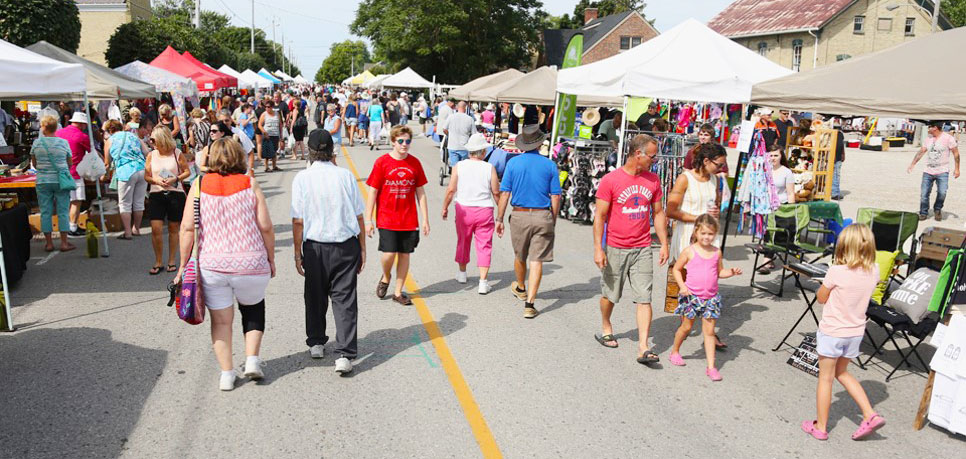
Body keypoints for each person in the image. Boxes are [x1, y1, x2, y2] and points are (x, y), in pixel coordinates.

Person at [176, 137, 275, 391]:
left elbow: (187, 228)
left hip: (213, 264)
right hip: (251, 262)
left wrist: (182, 266)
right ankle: (252, 360)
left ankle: (227, 374)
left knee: (221, 321)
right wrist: (271, 258)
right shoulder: (249, 183)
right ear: (238, 156)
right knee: (253, 310)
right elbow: (265, 226)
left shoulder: (198, 185)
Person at [801, 224, 885, 441]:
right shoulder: (874, 270)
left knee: (826, 379)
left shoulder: (836, 271)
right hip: (855, 332)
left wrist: (824, 284)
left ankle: (820, 426)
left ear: (844, 246)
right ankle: (869, 413)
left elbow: (821, 297)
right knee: (843, 373)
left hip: (833, 331)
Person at [292, 129, 365, 374]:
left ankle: (315, 341)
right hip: (345, 244)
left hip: (314, 246)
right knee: (344, 299)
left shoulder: (302, 178)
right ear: (332, 150)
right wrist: (363, 248)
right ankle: (344, 353)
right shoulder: (346, 176)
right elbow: (358, 215)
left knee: (314, 295)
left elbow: (298, 220)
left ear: (310, 152)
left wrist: (296, 252)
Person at [592, 133, 669, 363]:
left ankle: (644, 347)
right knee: (610, 295)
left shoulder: (653, 180)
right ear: (638, 154)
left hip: (643, 247)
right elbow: (600, 217)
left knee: (644, 297)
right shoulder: (611, 180)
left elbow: (657, 213)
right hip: (616, 246)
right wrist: (599, 248)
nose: (655, 161)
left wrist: (664, 243)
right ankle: (606, 325)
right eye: (652, 157)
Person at [495, 124, 561, 319]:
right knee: (537, 260)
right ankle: (530, 304)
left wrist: (499, 218)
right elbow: (555, 196)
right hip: (543, 215)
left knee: (520, 255)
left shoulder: (513, 164)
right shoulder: (549, 165)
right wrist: (552, 219)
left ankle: (521, 286)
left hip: (519, 215)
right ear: (540, 145)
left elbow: (504, 193)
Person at [667, 142, 728, 348]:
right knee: (687, 285)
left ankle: (709, 332)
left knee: (709, 283)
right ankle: (684, 327)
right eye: (718, 164)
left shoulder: (715, 180)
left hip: (709, 238)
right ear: (705, 161)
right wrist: (699, 219)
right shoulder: (685, 179)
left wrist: (715, 214)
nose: (721, 169)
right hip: (688, 236)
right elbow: (671, 210)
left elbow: (715, 204)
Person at [669, 214, 742, 380]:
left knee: (709, 332)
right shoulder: (689, 251)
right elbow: (676, 269)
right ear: (696, 232)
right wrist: (682, 286)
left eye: (710, 234)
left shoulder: (717, 252)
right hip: (691, 297)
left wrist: (731, 272)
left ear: (715, 234)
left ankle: (711, 367)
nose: (707, 237)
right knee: (686, 328)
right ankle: (675, 352)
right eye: (703, 233)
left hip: (711, 299)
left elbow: (719, 272)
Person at [365, 125, 430, 306]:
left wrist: (425, 219)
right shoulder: (382, 162)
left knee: (405, 254)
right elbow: (373, 192)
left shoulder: (415, 163)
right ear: (393, 141)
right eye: (400, 141)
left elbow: (420, 193)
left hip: (409, 219)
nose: (404, 144)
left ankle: (398, 292)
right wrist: (368, 219)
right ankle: (386, 277)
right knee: (388, 254)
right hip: (387, 217)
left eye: (407, 141)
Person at [441, 133, 500, 294]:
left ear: (469, 151)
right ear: (483, 152)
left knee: (463, 240)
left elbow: (451, 189)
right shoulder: (489, 168)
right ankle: (483, 282)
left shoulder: (459, 166)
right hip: (484, 210)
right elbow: (496, 192)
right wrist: (500, 213)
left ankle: (462, 273)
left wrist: (445, 207)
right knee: (484, 245)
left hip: (464, 209)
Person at [144, 126, 189, 275]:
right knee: (156, 228)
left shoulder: (177, 153)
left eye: (154, 140)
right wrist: (155, 180)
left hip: (175, 193)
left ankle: (171, 260)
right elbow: (147, 176)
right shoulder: (151, 155)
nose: (151, 142)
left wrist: (175, 178)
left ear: (162, 139)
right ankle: (158, 261)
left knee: (173, 227)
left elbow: (187, 171)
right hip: (157, 193)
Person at [31, 115, 77, 253]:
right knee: (63, 211)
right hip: (60, 181)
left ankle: (49, 243)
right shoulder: (63, 143)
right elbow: (70, 162)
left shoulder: (36, 143)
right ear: (56, 127)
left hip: (43, 181)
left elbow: (34, 164)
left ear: (44, 127)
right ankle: (64, 243)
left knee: (45, 212)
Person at [102, 120, 148, 239]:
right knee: (139, 202)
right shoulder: (134, 136)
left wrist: (104, 175)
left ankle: (127, 232)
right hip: (141, 169)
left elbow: (107, 162)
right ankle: (136, 229)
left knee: (125, 204)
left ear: (110, 130)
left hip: (125, 171)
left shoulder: (110, 140)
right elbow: (146, 152)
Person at [908, 122, 960, 221]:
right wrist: (913, 164)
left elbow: (956, 153)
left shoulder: (948, 138)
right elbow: (921, 151)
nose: (928, 129)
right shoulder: (928, 139)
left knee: (942, 192)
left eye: (930, 127)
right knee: (924, 194)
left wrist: (957, 169)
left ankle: (937, 209)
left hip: (942, 171)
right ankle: (923, 213)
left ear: (935, 128)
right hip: (928, 171)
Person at [55, 111, 92, 237]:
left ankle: (65, 227)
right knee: (76, 201)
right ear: (81, 124)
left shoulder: (58, 133)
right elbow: (92, 153)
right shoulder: (82, 136)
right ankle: (72, 227)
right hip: (74, 173)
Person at [444, 101, 476, 167]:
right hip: (464, 146)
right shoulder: (470, 119)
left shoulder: (451, 117)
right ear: (465, 108)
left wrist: (449, 135)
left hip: (453, 145)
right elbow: (474, 134)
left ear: (457, 107)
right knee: (464, 167)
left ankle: (454, 176)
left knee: (455, 167)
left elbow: (444, 129)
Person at [258, 100, 282, 173]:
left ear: (272, 107)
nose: (267, 108)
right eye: (266, 107)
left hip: (275, 134)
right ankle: (266, 167)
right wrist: (264, 132)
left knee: (274, 150)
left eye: (268, 107)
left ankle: (274, 166)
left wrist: (281, 135)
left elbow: (280, 124)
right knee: (267, 151)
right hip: (267, 135)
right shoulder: (264, 114)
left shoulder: (277, 114)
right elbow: (259, 125)